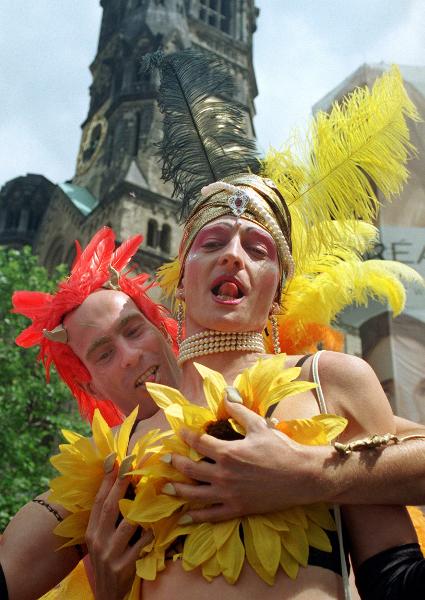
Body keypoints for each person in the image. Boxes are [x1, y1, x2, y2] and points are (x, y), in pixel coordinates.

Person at [1, 226, 425, 600]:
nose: (130, 357)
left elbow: (397, 465)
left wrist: (310, 474)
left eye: (133, 331)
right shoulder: (104, 464)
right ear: (183, 283)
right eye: (105, 353)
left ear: (164, 325)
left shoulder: (319, 384)